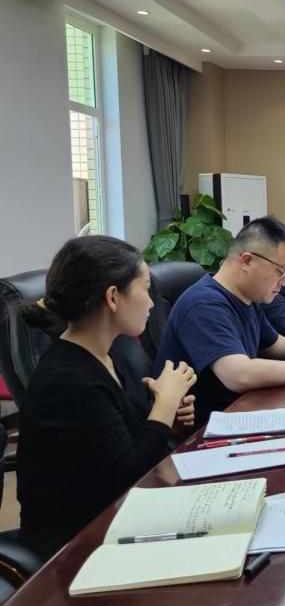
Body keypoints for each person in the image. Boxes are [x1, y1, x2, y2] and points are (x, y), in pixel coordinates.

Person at [16, 236, 196, 559]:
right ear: (113, 297)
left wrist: (168, 420)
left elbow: (122, 443)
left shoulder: (112, 355)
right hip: (77, 548)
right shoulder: (68, 381)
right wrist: (165, 405)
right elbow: (128, 477)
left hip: (119, 520)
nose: (152, 303)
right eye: (145, 289)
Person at [155, 216, 285, 426]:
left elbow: (278, 345)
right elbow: (238, 374)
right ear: (246, 261)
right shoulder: (204, 303)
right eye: (280, 271)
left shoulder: (248, 298)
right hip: (211, 427)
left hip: (245, 410)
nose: (284, 282)